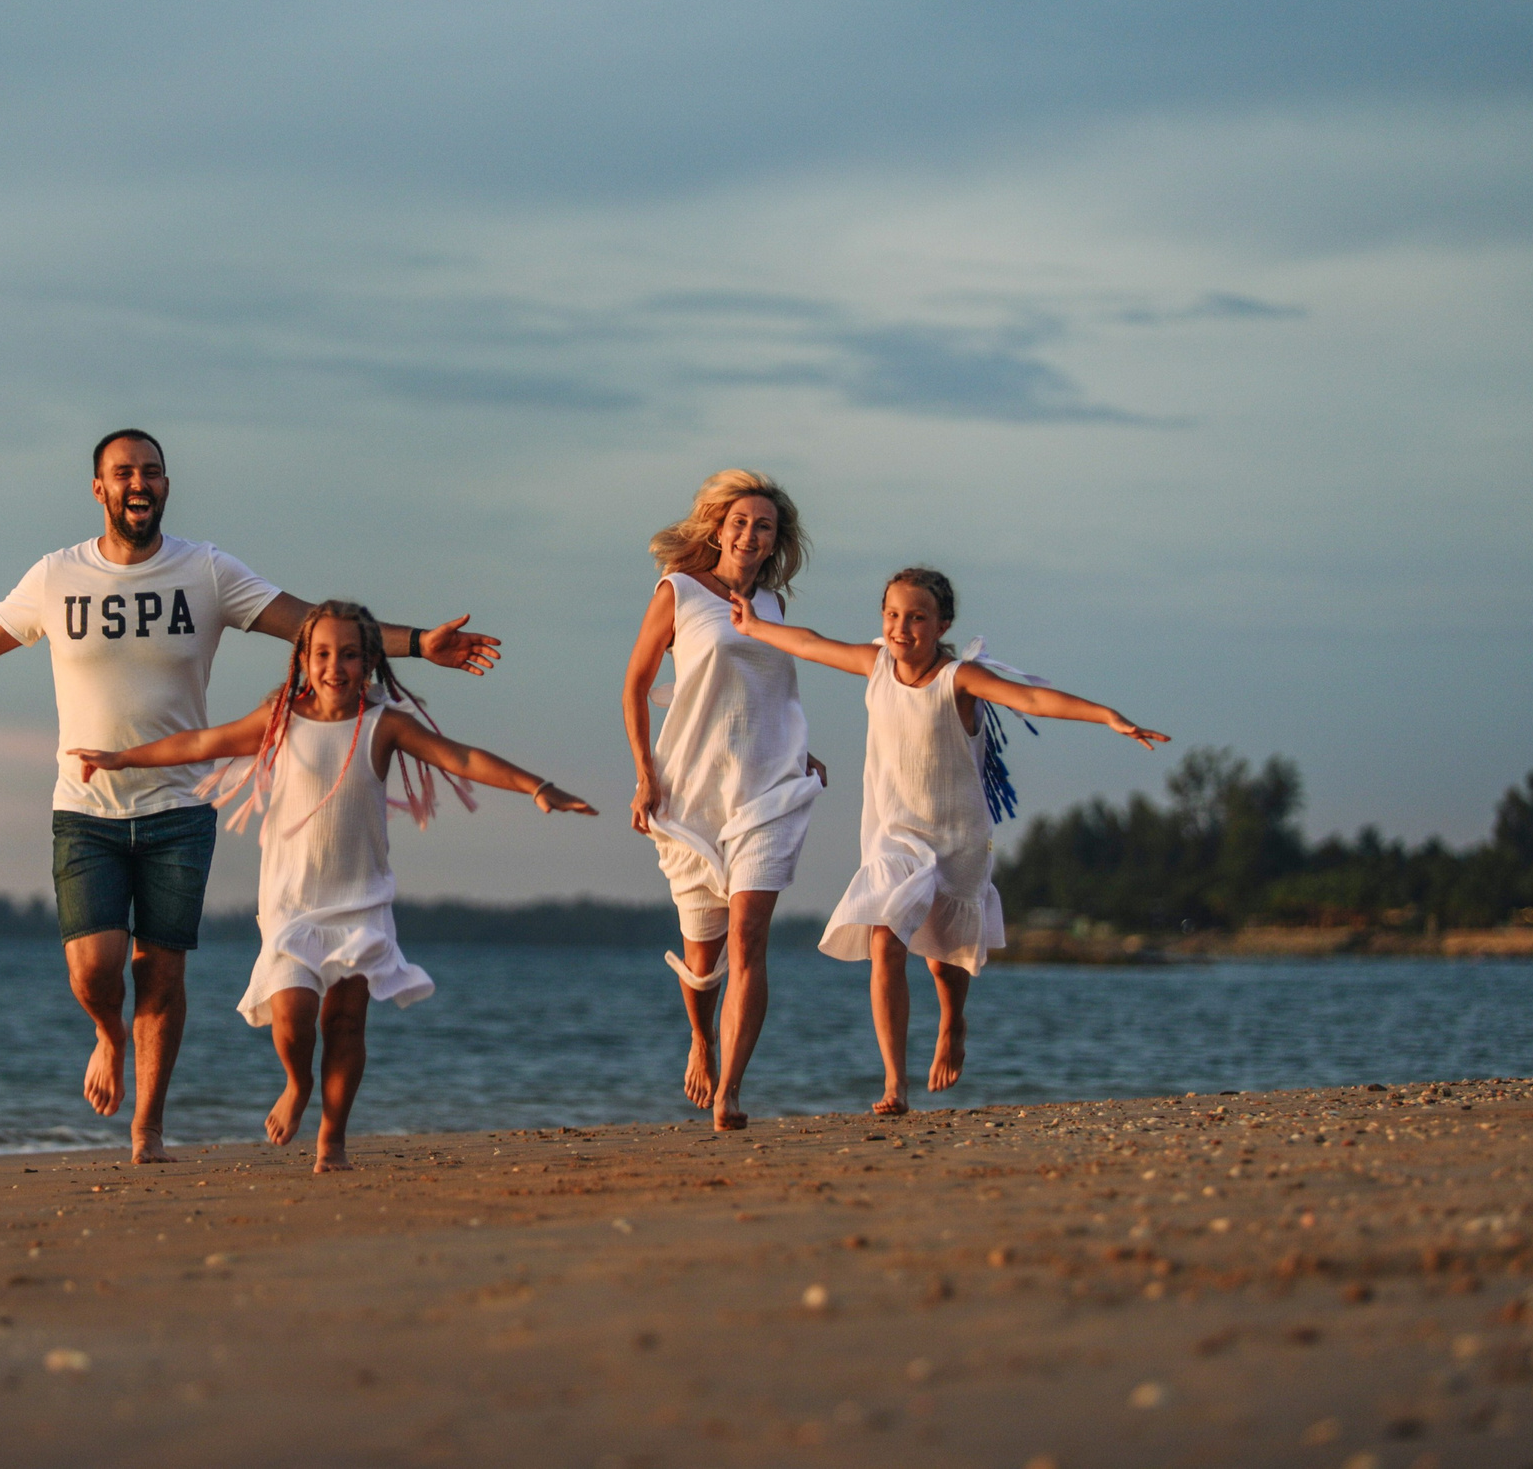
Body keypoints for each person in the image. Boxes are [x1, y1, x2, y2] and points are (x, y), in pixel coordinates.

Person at [0, 430, 500, 1163]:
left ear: (166, 486)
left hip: (178, 810)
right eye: (123, 472)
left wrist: (417, 643)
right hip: (86, 807)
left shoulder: (208, 571)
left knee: (162, 971)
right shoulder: (56, 576)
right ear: (98, 489)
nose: (140, 483)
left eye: (152, 472)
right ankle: (108, 1033)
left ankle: (148, 1129)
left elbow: (311, 624)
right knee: (95, 969)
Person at [69, 601, 593, 1172]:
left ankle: (333, 1141)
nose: (334, 667)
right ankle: (297, 1084)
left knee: (345, 1023)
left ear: (369, 661)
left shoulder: (384, 724)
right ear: (303, 660)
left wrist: (537, 786)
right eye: (322, 654)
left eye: (348, 655)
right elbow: (201, 744)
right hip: (292, 905)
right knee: (293, 1016)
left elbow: (459, 756)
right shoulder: (280, 718)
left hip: (360, 905)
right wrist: (122, 758)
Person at [728, 565, 1166, 1113]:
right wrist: (753, 625)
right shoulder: (877, 666)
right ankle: (894, 1083)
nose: (901, 628)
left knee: (942, 960)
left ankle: (953, 1021)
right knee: (885, 940)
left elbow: (1029, 700)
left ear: (942, 625)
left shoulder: (958, 680)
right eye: (892, 615)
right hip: (893, 838)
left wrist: (1108, 717)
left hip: (956, 837)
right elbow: (812, 644)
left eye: (916, 618)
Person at [621, 470, 826, 1132]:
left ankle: (731, 1090)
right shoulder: (678, 591)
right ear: (718, 526)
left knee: (749, 938)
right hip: (691, 786)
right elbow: (635, 686)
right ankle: (702, 1037)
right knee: (703, 953)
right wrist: (645, 775)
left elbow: (778, 695)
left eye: (763, 525)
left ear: (774, 541)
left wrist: (802, 751)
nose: (750, 532)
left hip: (766, 788)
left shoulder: (773, 608)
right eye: (740, 520)